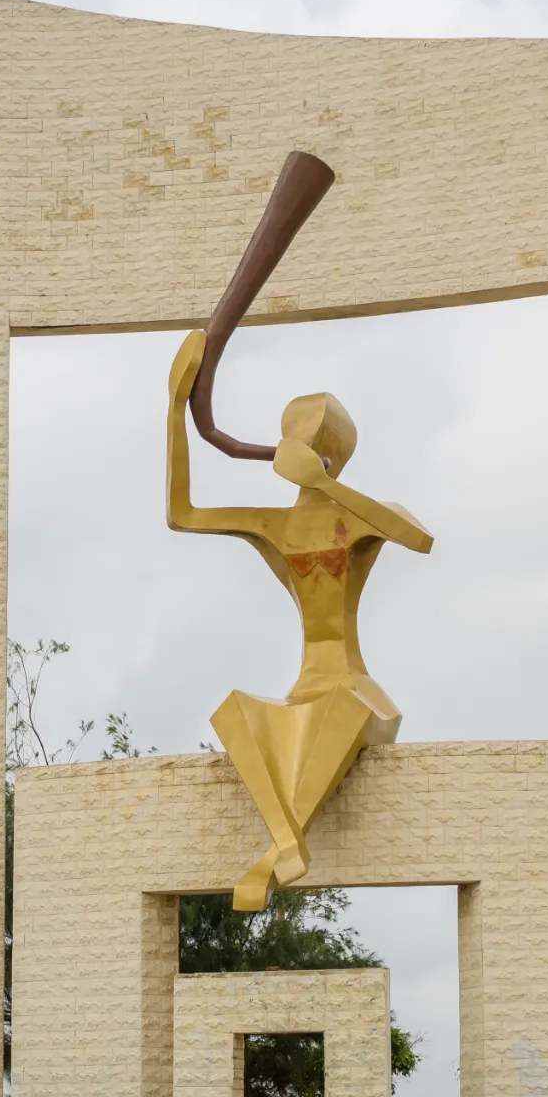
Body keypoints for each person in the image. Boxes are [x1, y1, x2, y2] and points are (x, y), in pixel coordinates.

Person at [167, 327, 433, 911]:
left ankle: (283, 847)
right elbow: (182, 514)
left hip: (356, 688)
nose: (289, 447)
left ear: (329, 455)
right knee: (235, 712)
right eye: (287, 437)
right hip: (305, 688)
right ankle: (287, 843)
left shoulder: (362, 518)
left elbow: (418, 538)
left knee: (346, 709)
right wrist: (172, 411)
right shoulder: (277, 526)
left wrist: (323, 485)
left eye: (304, 439)